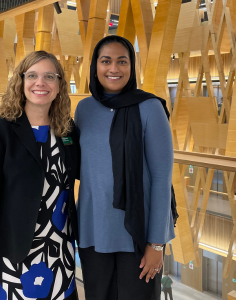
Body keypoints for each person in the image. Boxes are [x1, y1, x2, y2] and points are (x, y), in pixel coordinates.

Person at [0, 51, 80, 300]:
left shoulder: (67, 131)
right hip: (13, 253)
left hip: (59, 250)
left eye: (49, 76)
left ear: (59, 85)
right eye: (32, 75)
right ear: (21, 82)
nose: (40, 83)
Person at [74, 35, 175, 300]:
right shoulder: (84, 109)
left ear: (132, 67)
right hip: (93, 230)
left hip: (137, 236)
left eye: (122, 61)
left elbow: (162, 179)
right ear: (95, 66)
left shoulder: (150, 107)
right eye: (106, 61)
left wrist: (156, 243)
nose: (114, 69)